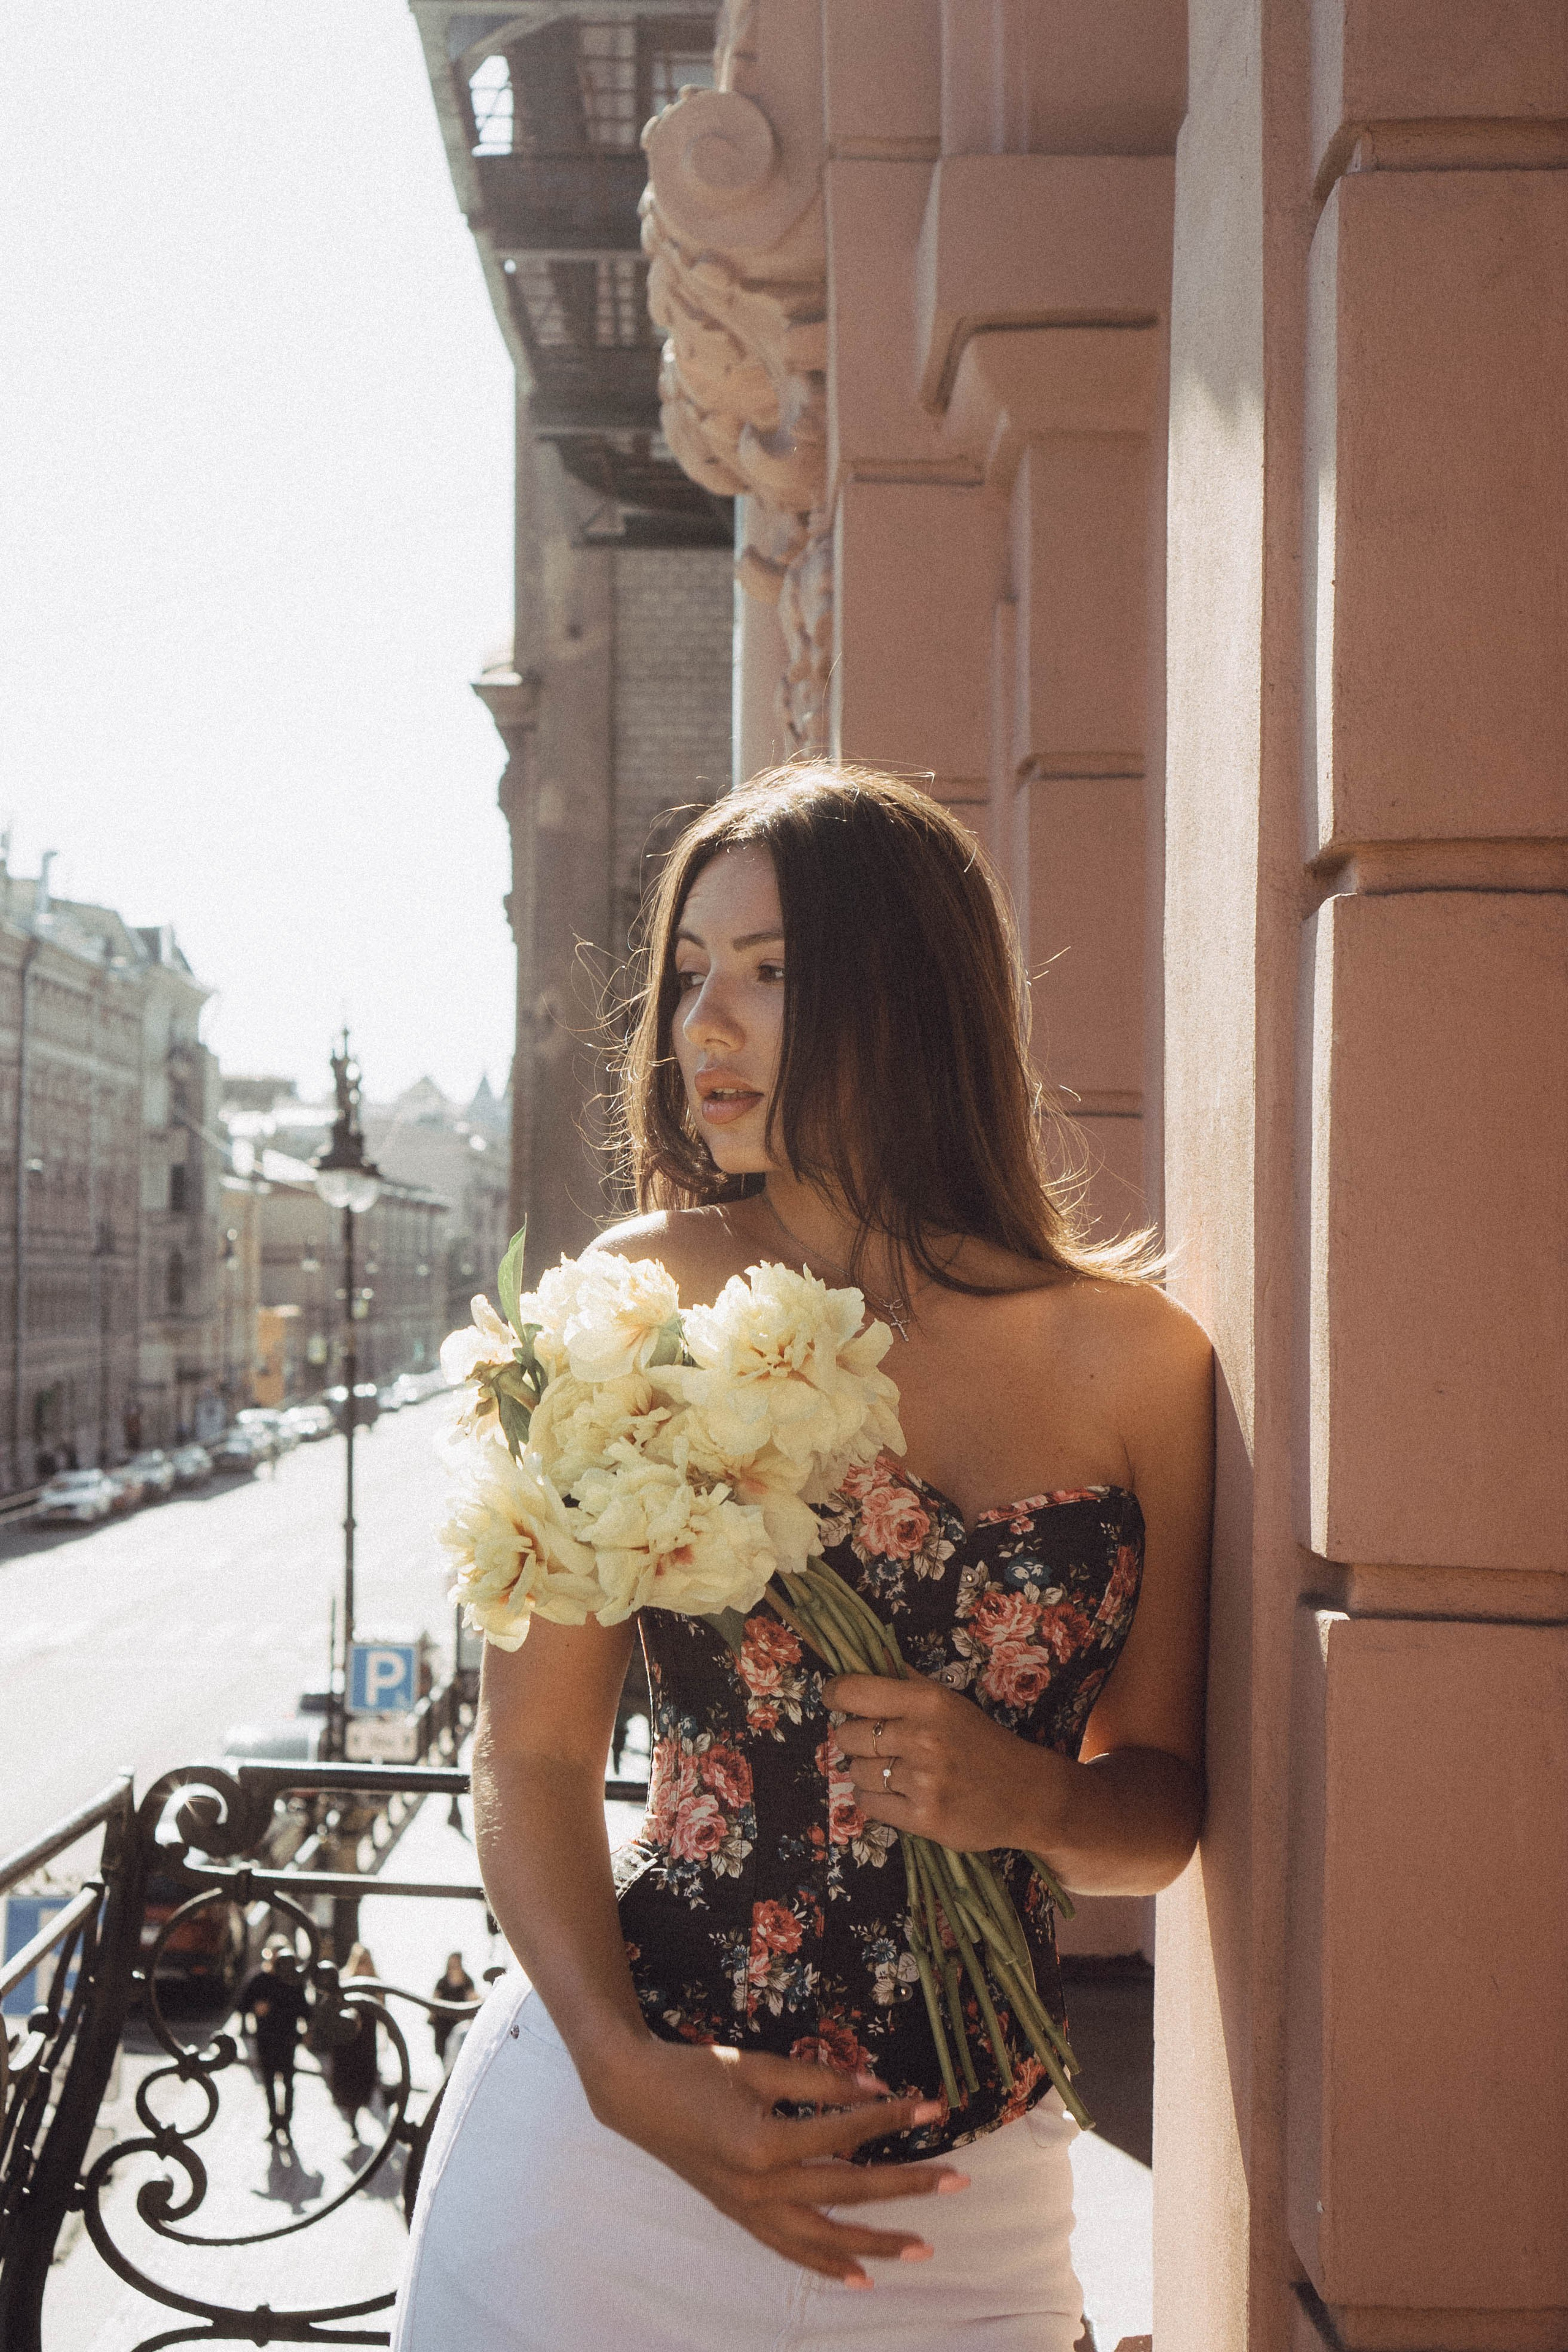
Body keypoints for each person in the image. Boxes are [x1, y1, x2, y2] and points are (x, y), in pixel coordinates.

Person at [394, 767, 1213, 2351]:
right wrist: (626, 2077)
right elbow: (536, 1757)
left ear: (911, 993)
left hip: (964, 2222)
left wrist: (1031, 1800)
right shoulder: (634, 1306)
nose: (706, 1022)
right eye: (690, 972)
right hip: (614, 2169)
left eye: (768, 974)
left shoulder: (1144, 1367)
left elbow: (1163, 1813)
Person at [240, 1939, 309, 2141]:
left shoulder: (293, 1981)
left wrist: (306, 2032)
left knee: (288, 2083)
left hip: (287, 2039)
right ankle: (274, 2124)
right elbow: (242, 2004)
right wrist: (256, 2008)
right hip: (266, 2039)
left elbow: (305, 2009)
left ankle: (286, 2124)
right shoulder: (260, 1979)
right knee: (269, 2084)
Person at [328, 1943, 383, 2142]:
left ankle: (356, 2114)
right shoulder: (345, 1981)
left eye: (365, 1963)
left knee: (363, 2082)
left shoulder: (375, 1984)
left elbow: (383, 2011)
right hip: (347, 2041)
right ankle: (352, 2121)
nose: (363, 1967)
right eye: (360, 1963)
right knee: (349, 2083)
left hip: (366, 2040)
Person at [431, 1953, 476, 2067]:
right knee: (444, 2056)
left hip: (459, 2024)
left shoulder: (467, 1981)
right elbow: (435, 2000)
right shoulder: (442, 1982)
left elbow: (472, 1999)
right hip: (443, 2025)